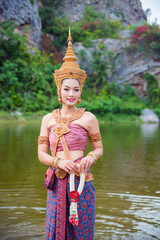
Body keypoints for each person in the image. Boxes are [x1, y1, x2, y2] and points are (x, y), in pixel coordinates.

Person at [38, 27, 103, 240]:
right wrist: (57, 161)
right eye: (66, 89)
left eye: (76, 89)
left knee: (81, 231)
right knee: (56, 230)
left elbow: (99, 148)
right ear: (59, 90)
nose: (71, 94)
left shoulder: (89, 118)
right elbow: (41, 155)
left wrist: (91, 158)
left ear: (81, 91)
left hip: (81, 182)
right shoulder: (48, 119)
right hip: (57, 182)